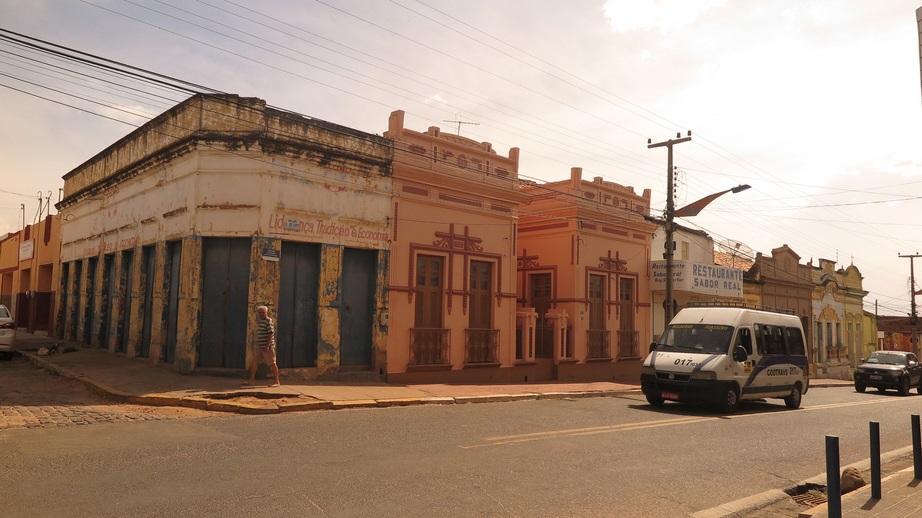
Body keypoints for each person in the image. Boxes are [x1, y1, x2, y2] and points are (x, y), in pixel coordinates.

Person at [247, 305, 281, 387]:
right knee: (255, 362)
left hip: (267, 347)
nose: (262, 314)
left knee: (272, 364)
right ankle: (251, 380)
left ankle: (277, 382)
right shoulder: (260, 321)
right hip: (261, 347)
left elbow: (270, 333)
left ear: (266, 313)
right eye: (260, 312)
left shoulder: (268, 321)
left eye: (263, 312)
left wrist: (267, 345)